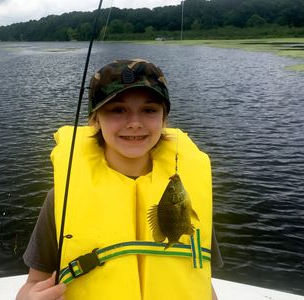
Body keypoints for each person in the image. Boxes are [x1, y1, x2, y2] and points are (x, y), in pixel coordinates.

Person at [16, 59, 223, 300]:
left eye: (149, 110)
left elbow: (201, 279)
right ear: (95, 119)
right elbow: (34, 283)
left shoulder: (189, 190)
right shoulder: (63, 196)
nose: (134, 123)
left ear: (163, 119)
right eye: (117, 110)